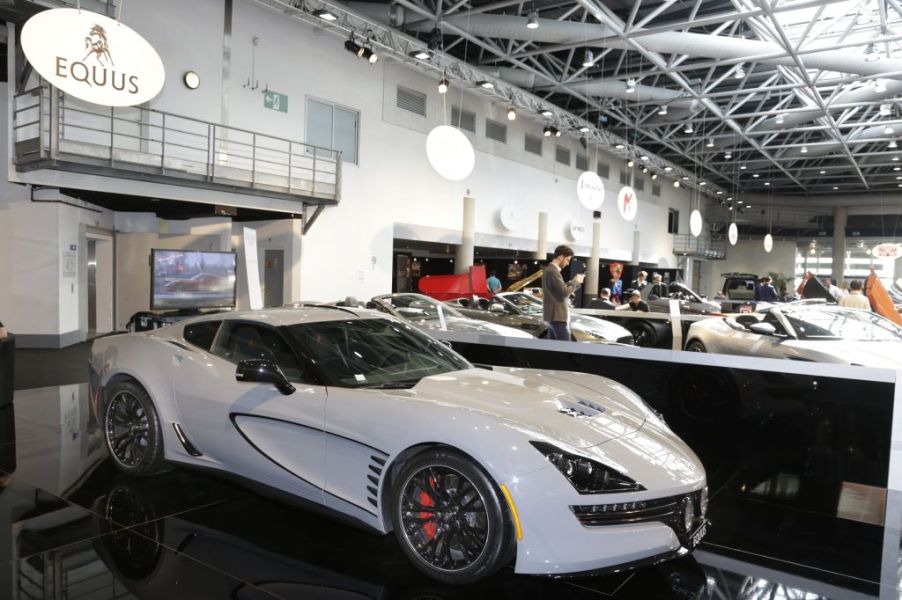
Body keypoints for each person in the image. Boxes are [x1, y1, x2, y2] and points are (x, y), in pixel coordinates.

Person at [541, 245, 585, 340]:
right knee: (565, 349)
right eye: (567, 260)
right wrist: (576, 281)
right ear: (560, 257)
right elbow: (564, 292)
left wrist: (573, 282)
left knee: (554, 350)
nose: (568, 263)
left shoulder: (549, 270)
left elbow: (559, 289)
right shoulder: (553, 271)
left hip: (552, 317)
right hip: (558, 317)